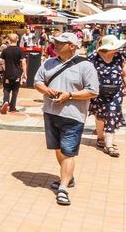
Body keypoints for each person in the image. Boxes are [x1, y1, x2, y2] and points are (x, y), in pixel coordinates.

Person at [33, 32, 98, 206]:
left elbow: (93, 91)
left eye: (61, 43)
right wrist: (46, 90)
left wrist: (69, 95)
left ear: (72, 46)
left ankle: (63, 188)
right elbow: (37, 81)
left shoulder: (86, 66)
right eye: (55, 42)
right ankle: (68, 177)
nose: (56, 44)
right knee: (58, 149)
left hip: (73, 116)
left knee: (68, 152)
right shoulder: (48, 63)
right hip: (51, 112)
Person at [88, 35, 126, 157]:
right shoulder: (93, 58)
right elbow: (85, 76)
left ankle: (109, 145)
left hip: (116, 92)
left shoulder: (120, 58)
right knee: (100, 116)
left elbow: (125, 75)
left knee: (111, 114)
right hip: (98, 92)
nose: (118, 48)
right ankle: (100, 137)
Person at [0, 33, 26, 114]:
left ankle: (5, 101)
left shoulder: (5, 50)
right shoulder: (20, 50)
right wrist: (25, 73)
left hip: (7, 73)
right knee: (15, 90)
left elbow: (2, 62)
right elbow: (23, 62)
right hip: (17, 74)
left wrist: (5, 70)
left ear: (9, 40)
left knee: (6, 89)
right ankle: (12, 107)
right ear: (17, 39)